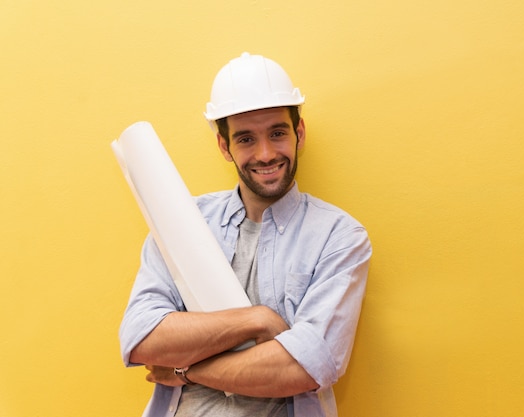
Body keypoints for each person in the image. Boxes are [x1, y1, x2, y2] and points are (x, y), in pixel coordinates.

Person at [119, 52, 372, 417]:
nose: (266, 153)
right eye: (246, 139)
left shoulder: (340, 237)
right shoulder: (180, 221)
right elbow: (142, 337)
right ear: (225, 147)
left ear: (299, 134)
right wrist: (256, 319)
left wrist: (185, 370)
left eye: (277, 133)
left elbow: (300, 368)